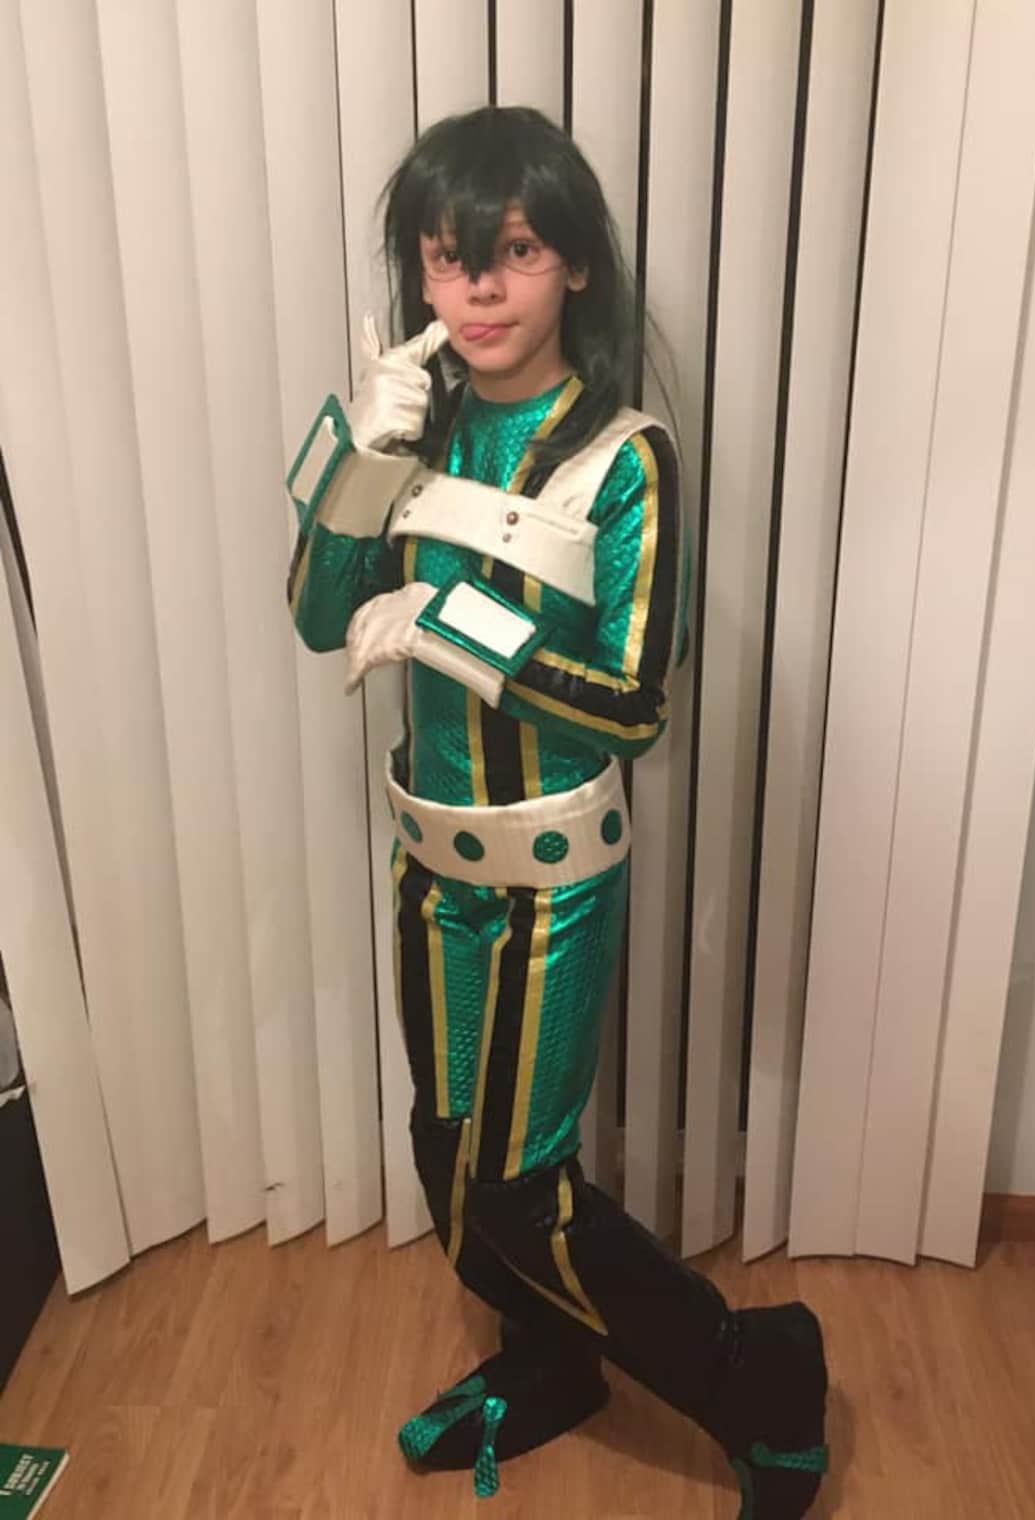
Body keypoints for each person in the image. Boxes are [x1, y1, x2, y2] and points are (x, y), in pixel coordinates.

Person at [287, 105, 828, 1518]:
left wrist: (451, 617)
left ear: (575, 264)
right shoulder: (413, 430)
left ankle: (759, 1372)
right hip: (429, 863)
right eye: (446, 257)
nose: (476, 289)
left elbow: (636, 705)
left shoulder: (624, 458)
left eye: (514, 252)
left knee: (523, 1189)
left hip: (552, 876)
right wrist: (361, 467)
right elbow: (319, 617)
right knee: (446, 1149)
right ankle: (553, 1360)